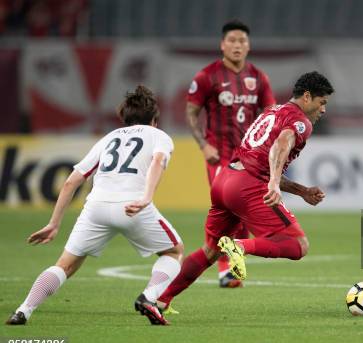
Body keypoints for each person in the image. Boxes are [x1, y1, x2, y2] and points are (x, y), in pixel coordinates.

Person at [5, 85, 183, 326]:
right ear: (154, 120)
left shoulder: (108, 139)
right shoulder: (159, 136)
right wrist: (147, 197)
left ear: (124, 118)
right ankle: (149, 298)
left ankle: (23, 310)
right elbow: (158, 160)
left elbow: (71, 181)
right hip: (132, 205)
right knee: (174, 251)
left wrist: (53, 223)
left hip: (96, 206)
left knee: (64, 265)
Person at [157, 71, 333, 308]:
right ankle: (240, 246)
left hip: (225, 180)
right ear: (307, 97)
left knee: (210, 251)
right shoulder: (301, 122)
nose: (323, 110)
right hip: (248, 187)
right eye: (322, 103)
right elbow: (281, 145)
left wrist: (301, 190)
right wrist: (272, 183)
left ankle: (159, 300)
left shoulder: (271, 111)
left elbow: (260, 160)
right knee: (299, 245)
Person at [186, 19, 276, 288]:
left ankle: (229, 263)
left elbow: (271, 114)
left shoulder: (259, 78)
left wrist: (267, 147)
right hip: (219, 155)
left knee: (242, 210)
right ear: (222, 45)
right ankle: (224, 266)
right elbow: (191, 112)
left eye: (242, 41)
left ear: (248, 46)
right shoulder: (207, 76)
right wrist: (203, 144)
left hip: (248, 158)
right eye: (232, 41)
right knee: (227, 206)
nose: (237, 45)